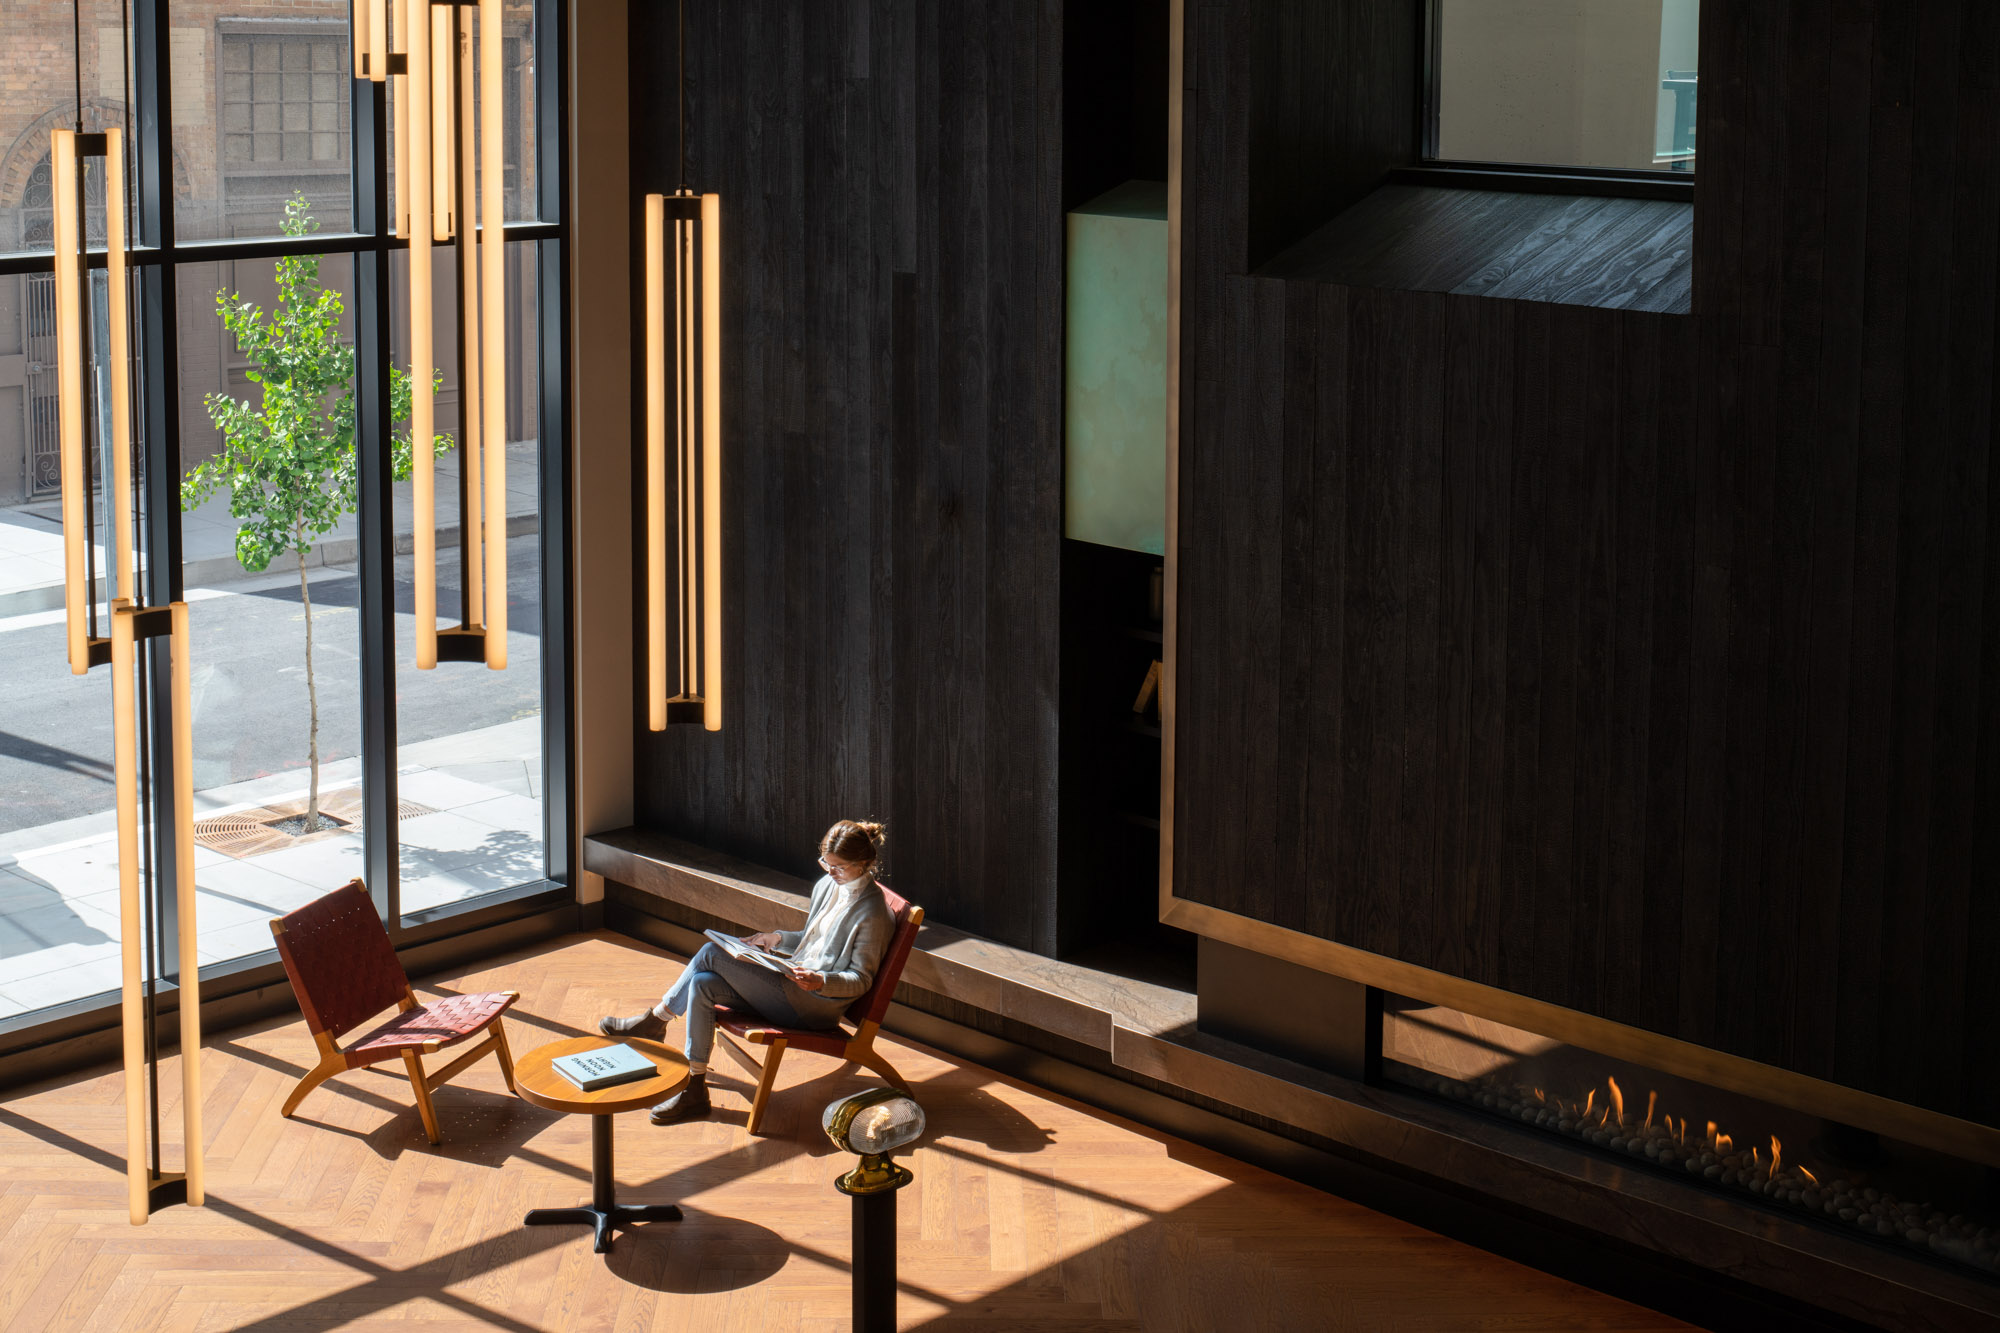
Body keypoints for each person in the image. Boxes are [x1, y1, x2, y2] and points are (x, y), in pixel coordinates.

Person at [599, 819, 895, 1125]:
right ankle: (694, 1088)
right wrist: (777, 938)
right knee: (702, 984)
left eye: (839, 867)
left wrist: (821, 980)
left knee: (712, 953)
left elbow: (861, 980)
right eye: (825, 864)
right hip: (793, 985)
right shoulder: (829, 886)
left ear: (863, 864)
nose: (830, 873)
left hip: (814, 1004)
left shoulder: (873, 914)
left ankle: (655, 1021)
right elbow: (815, 939)